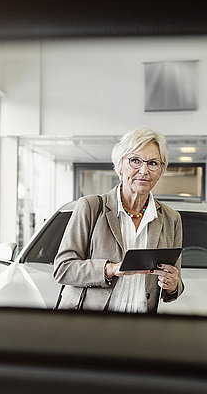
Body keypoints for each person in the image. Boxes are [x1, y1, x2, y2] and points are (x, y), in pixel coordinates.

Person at [53, 127, 183, 313]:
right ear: (120, 166)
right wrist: (111, 269)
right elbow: (62, 269)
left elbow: (175, 284)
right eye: (135, 161)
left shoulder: (172, 219)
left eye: (153, 163)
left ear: (161, 170)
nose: (144, 170)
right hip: (88, 327)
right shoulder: (90, 207)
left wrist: (172, 285)